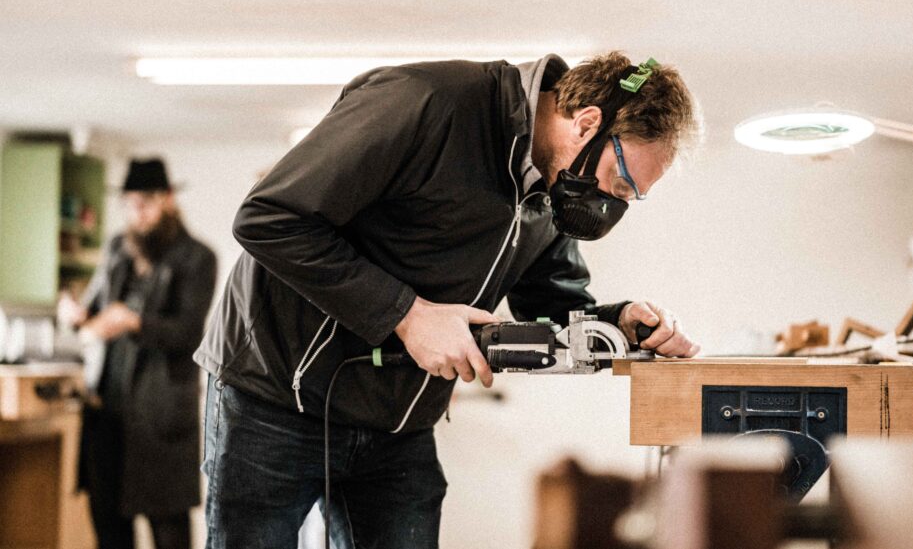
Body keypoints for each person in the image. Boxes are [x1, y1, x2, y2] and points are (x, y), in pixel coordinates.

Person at [194, 52, 704, 549]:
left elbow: (547, 299)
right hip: (276, 393)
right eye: (619, 184)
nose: (610, 206)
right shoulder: (426, 102)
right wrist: (408, 317)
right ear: (587, 124)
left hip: (398, 421)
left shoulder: (551, 188)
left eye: (629, 198)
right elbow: (268, 219)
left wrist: (619, 324)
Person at [60, 158, 217, 549]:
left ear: (167, 199)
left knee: (168, 530)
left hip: (159, 418)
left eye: (145, 202)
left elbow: (188, 333)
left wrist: (134, 322)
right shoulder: (117, 248)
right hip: (106, 414)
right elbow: (94, 313)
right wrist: (75, 314)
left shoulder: (197, 258)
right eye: (130, 203)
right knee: (109, 528)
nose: (137, 212)